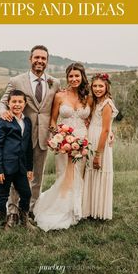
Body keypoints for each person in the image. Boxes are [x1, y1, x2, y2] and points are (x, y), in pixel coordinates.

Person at [0, 45, 60, 224]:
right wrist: (4, 113)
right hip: (20, 136)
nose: (40, 61)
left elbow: (58, 107)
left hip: (43, 137)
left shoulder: (54, 83)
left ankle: (30, 210)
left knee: (37, 177)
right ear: (30, 59)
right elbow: (3, 103)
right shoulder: (16, 81)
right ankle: (12, 211)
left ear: (47, 61)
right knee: (16, 174)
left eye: (43, 58)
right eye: (37, 57)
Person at [33, 63, 91, 231]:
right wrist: (58, 137)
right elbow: (52, 120)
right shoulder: (59, 96)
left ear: (82, 77)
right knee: (64, 174)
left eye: (77, 76)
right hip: (64, 141)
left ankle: (77, 209)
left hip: (82, 140)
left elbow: (95, 119)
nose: (74, 79)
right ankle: (61, 209)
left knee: (79, 174)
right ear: (67, 78)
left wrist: (109, 132)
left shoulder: (88, 97)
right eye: (71, 76)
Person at [0, 90, 35, 230]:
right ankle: (1, 224)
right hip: (5, 167)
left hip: (21, 167)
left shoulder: (27, 121)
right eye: (14, 102)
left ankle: (24, 221)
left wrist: (29, 168)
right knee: (2, 196)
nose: (17, 104)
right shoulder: (3, 121)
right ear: (8, 103)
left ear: (25, 103)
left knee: (27, 194)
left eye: (20, 102)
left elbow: (28, 146)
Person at [82, 73, 118, 220]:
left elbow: (105, 130)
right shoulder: (95, 101)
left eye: (101, 86)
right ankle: (90, 209)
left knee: (99, 171)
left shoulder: (107, 104)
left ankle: (100, 212)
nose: (97, 89)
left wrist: (98, 154)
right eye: (95, 86)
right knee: (91, 173)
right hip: (91, 138)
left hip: (100, 142)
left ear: (106, 86)